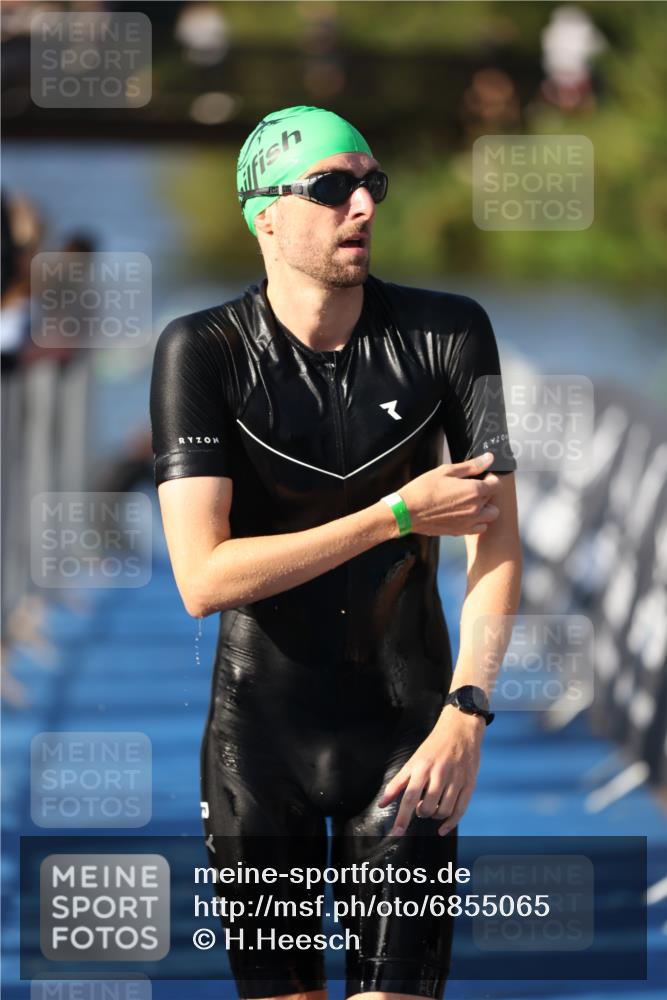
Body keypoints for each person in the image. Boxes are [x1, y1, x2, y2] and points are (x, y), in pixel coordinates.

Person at [150, 105, 522, 1000]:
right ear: (264, 215)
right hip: (257, 747)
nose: (362, 205)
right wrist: (394, 515)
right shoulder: (201, 351)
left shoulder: (448, 333)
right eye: (330, 188)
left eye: (370, 184)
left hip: (409, 735)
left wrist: (467, 711)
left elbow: (498, 543)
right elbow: (202, 578)